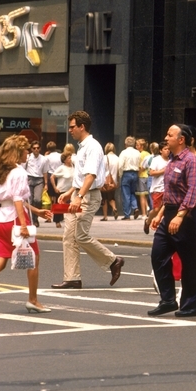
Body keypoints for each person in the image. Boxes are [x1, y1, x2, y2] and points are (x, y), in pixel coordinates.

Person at [53, 111, 124, 290]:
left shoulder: (93, 146)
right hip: (79, 194)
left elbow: (91, 175)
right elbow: (81, 177)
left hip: (88, 196)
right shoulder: (82, 146)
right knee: (68, 237)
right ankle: (72, 278)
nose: (70, 130)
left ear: (82, 126)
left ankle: (113, 261)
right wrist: (70, 192)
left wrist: (79, 197)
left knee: (80, 236)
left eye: (72, 127)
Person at [148, 124, 196, 317]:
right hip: (170, 213)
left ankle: (192, 304)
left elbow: (193, 191)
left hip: (187, 215)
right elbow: (169, 192)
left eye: (170, 135)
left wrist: (180, 216)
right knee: (158, 255)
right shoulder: (172, 161)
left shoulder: (192, 161)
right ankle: (168, 300)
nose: (166, 137)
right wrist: (160, 214)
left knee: (189, 262)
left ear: (181, 140)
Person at [0, 135, 53, 312]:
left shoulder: (6, 171)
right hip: (15, 220)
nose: (28, 152)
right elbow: (18, 200)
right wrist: (24, 225)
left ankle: (33, 300)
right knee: (34, 258)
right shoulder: (19, 172)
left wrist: (36, 211)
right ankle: (33, 300)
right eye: (26, 149)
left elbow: (13, 199)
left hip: (2, 220)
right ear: (18, 152)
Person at [23, 139, 49, 224]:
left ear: (40, 148)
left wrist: (46, 184)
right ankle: (30, 220)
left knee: (37, 200)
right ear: (31, 149)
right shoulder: (28, 158)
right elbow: (23, 169)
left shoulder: (44, 159)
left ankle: (35, 217)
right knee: (30, 201)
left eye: (38, 148)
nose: (36, 149)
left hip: (39, 180)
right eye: (34, 148)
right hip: (29, 178)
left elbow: (45, 172)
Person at [116, 136, 140, 220]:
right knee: (132, 192)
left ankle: (127, 214)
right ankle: (135, 207)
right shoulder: (137, 152)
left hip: (126, 173)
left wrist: (120, 175)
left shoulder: (124, 152)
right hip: (135, 173)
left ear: (125, 144)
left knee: (126, 194)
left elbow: (120, 165)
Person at [50, 149, 75, 229]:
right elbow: (52, 177)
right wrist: (55, 187)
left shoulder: (74, 167)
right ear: (64, 160)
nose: (70, 159)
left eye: (71, 157)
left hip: (71, 190)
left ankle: (71, 222)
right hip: (62, 190)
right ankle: (57, 221)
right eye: (69, 158)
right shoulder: (61, 168)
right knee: (59, 206)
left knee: (70, 206)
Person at [100, 142, 119, 221]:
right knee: (111, 197)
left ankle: (105, 216)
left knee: (104, 198)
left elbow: (101, 170)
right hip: (113, 181)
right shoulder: (117, 158)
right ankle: (114, 208)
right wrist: (117, 181)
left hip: (105, 181)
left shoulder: (104, 158)